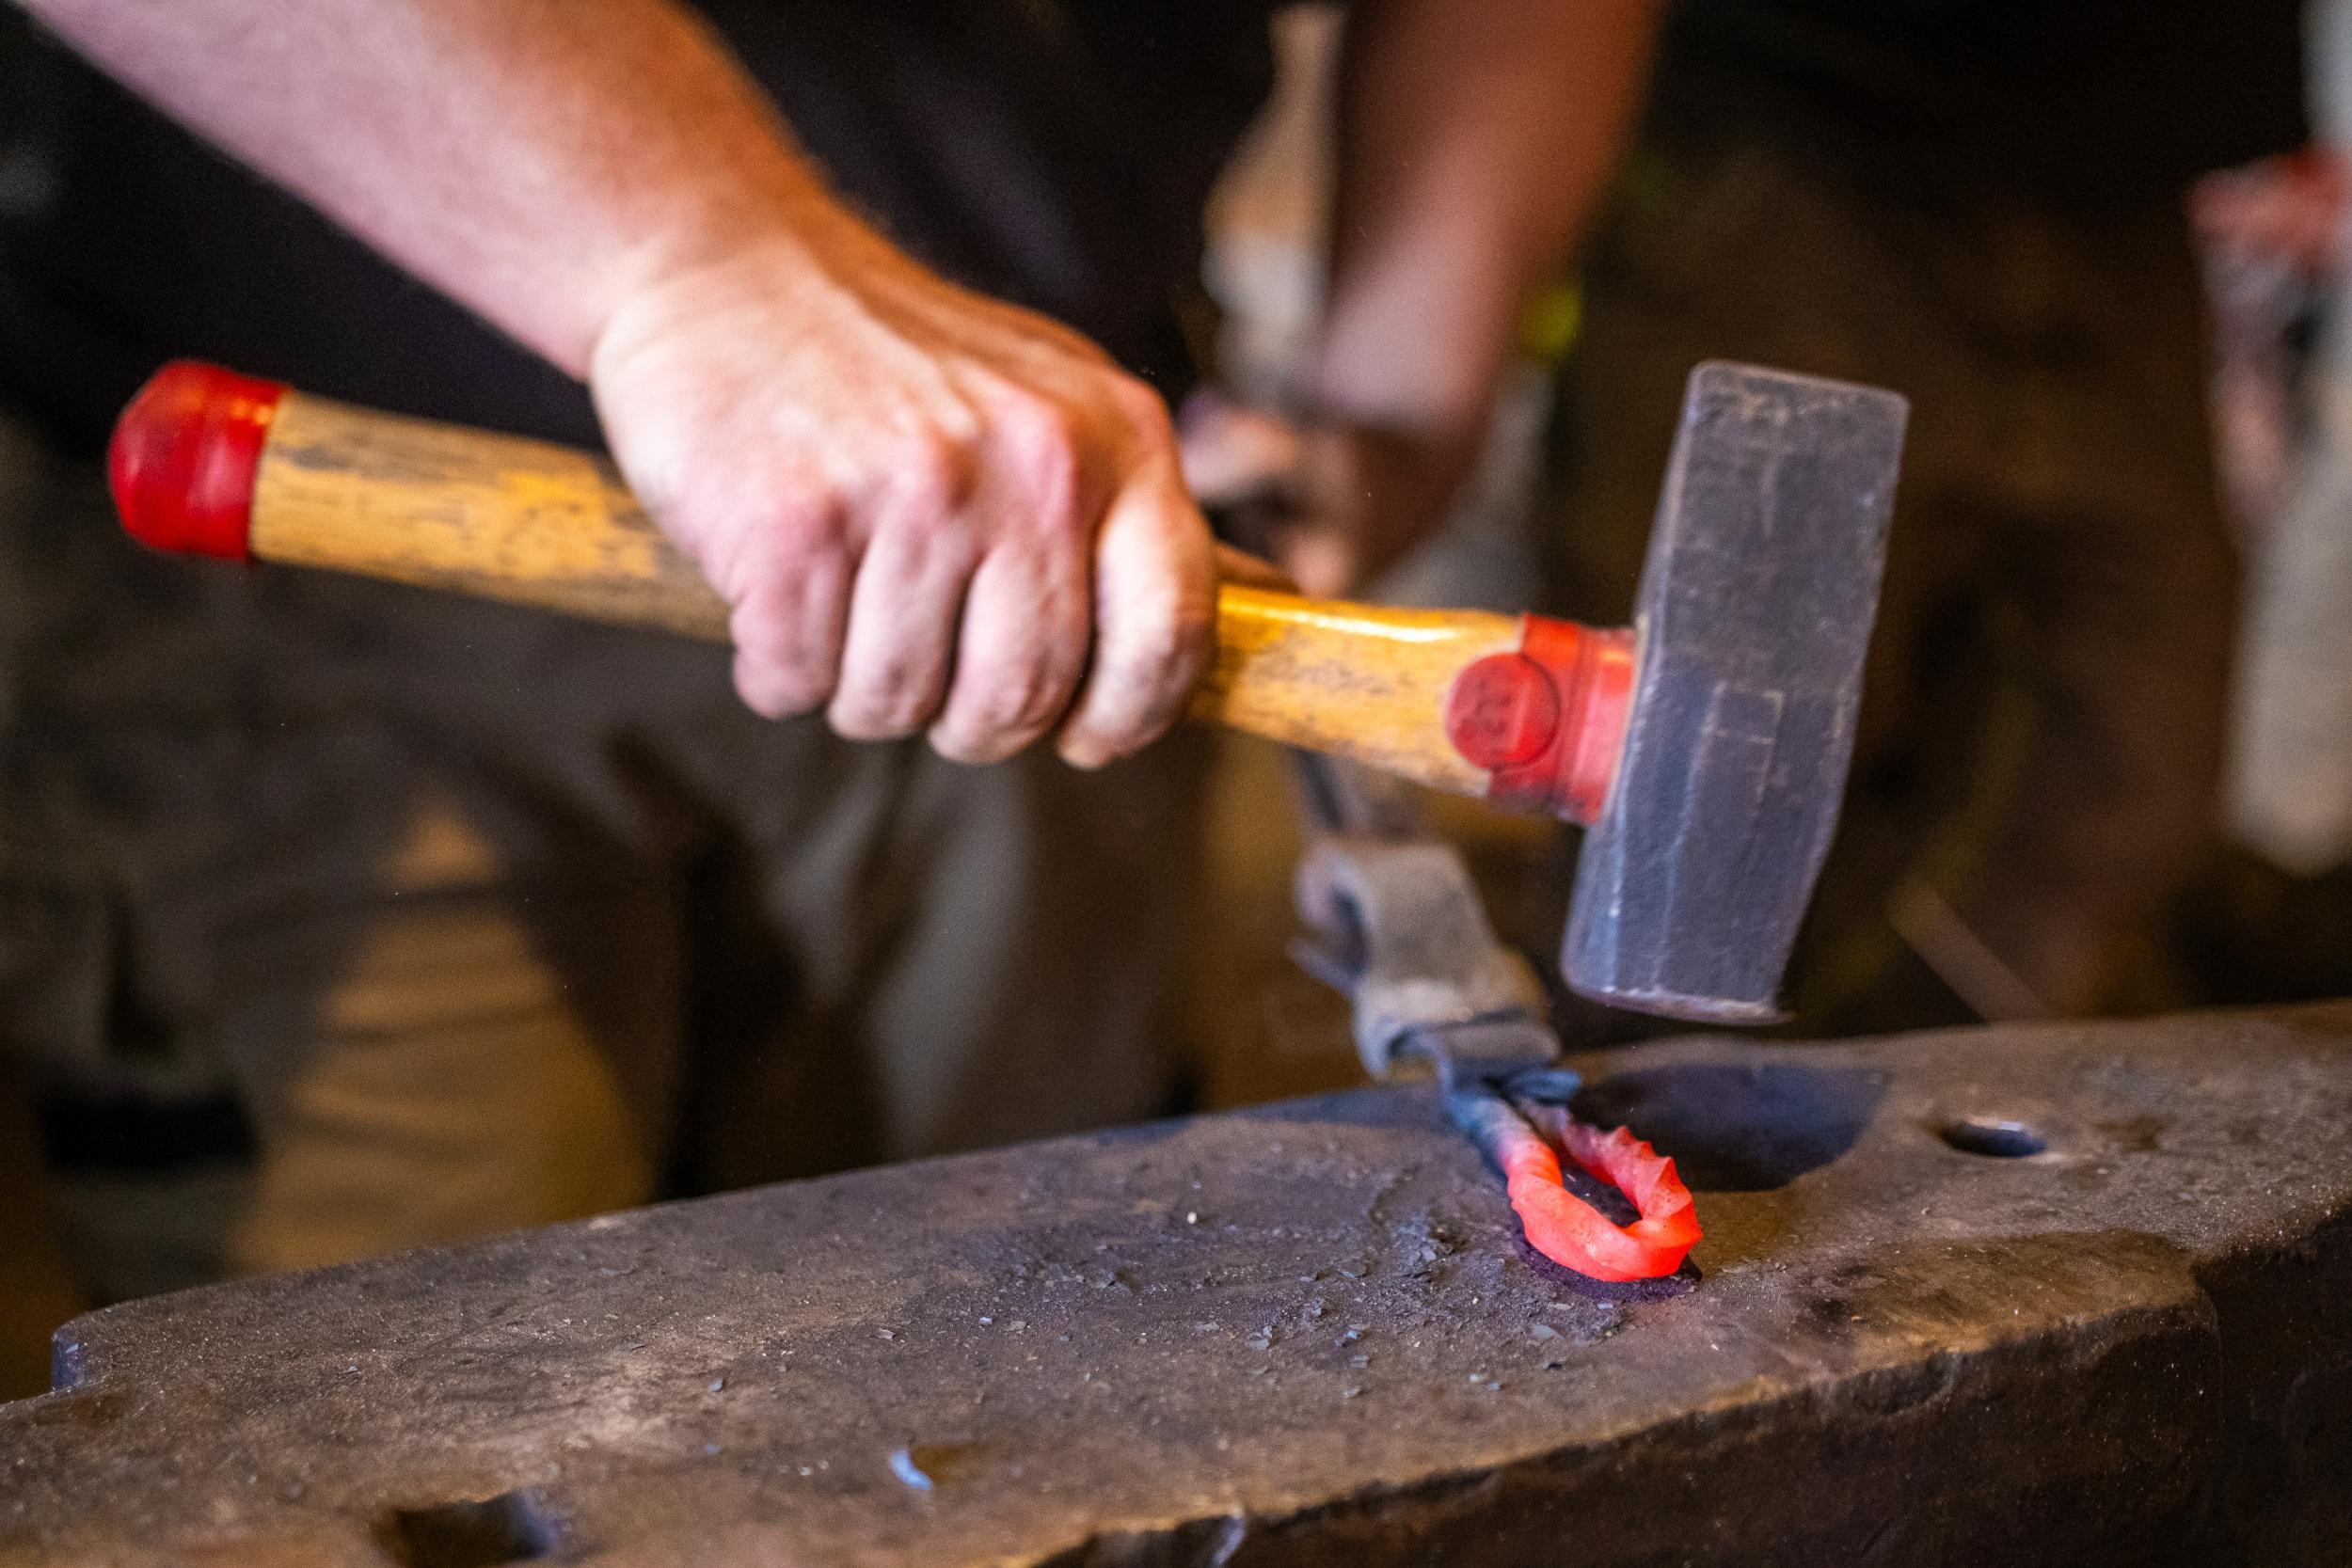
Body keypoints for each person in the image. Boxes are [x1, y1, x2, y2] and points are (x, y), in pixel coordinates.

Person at [0, 0, 1660, 1386]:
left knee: (1030, 1388)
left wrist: (1394, 387)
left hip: (1058, 568)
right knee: (396, 1412)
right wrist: (696, 256)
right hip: (317, 546)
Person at [1540, 0, 2307, 1033]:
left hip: (2130, 178)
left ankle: (1883, 1129)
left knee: (2123, 782)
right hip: (1787, 143)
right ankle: (1659, 1135)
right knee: (1705, 821)